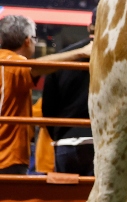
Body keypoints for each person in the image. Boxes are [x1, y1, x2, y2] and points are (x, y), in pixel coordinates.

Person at [0, 15, 92, 175]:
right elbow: (36, 68)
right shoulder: (11, 63)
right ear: (28, 40)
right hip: (6, 156)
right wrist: (80, 53)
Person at [41, 13, 96, 175]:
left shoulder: (62, 58)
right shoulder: (121, 60)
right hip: (102, 142)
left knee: (65, 199)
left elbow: (48, 108)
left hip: (65, 140)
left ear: (89, 27)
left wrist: (59, 135)